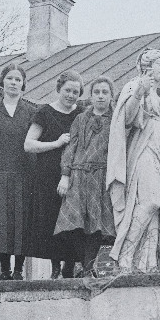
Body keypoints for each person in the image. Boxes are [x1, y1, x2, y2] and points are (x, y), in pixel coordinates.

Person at [106, 48, 160, 273]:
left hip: (158, 151)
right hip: (142, 149)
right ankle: (124, 256)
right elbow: (127, 119)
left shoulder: (158, 95)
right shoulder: (135, 85)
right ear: (148, 64)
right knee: (151, 202)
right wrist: (140, 92)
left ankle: (145, 263)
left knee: (155, 210)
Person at [24, 70, 87, 279]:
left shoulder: (81, 113)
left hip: (75, 174)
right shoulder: (44, 112)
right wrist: (56, 143)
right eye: (68, 90)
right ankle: (55, 267)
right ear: (59, 88)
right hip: (48, 173)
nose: (71, 95)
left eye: (75, 92)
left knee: (72, 220)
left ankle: (70, 266)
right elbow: (29, 144)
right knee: (51, 218)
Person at [0, 61, 36, 280]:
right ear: (2, 82)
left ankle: (19, 270)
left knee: (21, 218)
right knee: (1, 218)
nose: (13, 82)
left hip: (24, 172)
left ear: (23, 85)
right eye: (10, 78)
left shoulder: (31, 112)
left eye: (18, 79)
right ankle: (4, 270)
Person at [54, 77, 116, 277]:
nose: (100, 96)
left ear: (111, 96)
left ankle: (89, 267)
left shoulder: (116, 120)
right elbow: (71, 147)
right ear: (90, 96)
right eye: (96, 92)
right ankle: (71, 263)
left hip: (102, 177)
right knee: (71, 223)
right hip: (79, 176)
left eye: (104, 92)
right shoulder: (81, 119)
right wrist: (65, 175)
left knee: (96, 227)